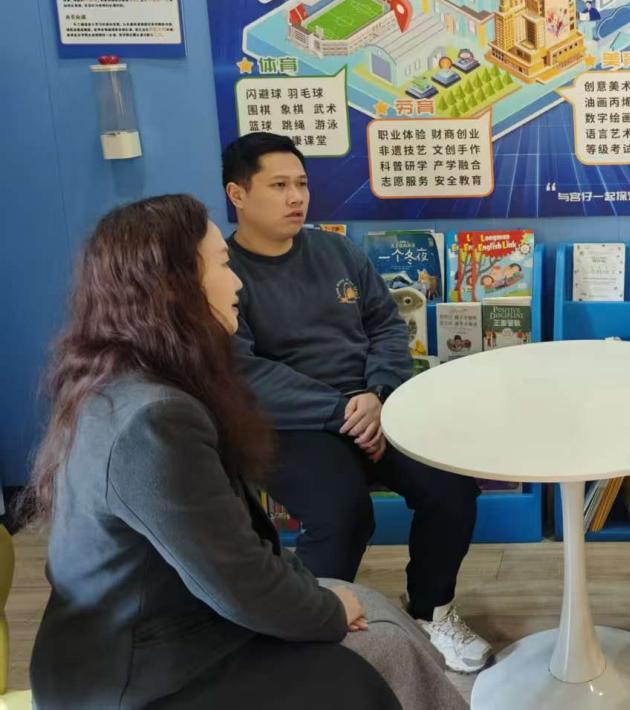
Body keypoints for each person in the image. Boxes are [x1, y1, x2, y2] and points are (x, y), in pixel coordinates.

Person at [26, 194, 466, 709]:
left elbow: (233, 555)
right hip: (136, 676)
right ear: (174, 287)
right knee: (381, 650)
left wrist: (319, 598)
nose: (236, 283)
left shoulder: (131, 381)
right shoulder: (154, 419)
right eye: (221, 265)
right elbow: (236, 581)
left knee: (377, 611)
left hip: (178, 620)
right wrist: (326, 611)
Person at [221, 133, 490, 672]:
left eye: (301, 184)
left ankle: (430, 610)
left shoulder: (337, 250)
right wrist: (341, 410)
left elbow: (387, 326)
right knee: (342, 514)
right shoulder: (223, 273)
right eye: (279, 185)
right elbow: (243, 372)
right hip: (291, 426)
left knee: (451, 486)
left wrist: (378, 394)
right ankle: (307, 631)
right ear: (238, 194)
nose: (296, 197)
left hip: (373, 406)